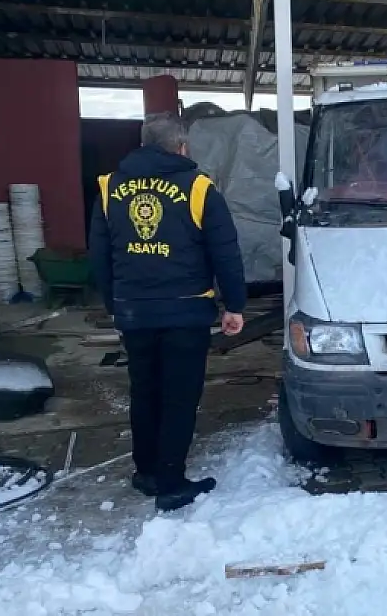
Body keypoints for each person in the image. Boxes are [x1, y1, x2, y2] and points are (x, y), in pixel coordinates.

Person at [88, 112, 247, 511]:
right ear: (181, 146)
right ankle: (171, 482)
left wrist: (115, 304)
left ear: (143, 143)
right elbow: (224, 250)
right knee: (178, 397)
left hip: (134, 314)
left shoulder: (110, 188)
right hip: (185, 312)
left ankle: (146, 472)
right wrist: (235, 305)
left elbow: (100, 257)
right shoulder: (198, 187)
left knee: (145, 391)